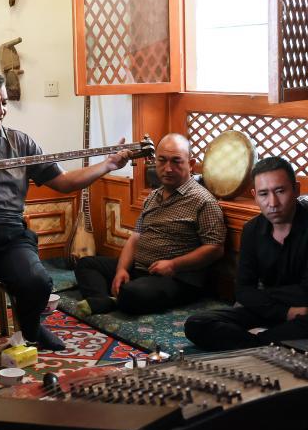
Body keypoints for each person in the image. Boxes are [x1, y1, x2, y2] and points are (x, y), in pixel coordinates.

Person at [0, 69, 131, 359]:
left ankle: (31, 328)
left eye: (4, 103)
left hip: (10, 234)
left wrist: (108, 165)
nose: (1, 111)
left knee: (38, 282)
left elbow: (63, 182)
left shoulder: (21, 143)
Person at [184, 155, 308, 350]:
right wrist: (285, 311)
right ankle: (264, 343)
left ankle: (257, 342)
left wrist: (261, 295)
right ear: (254, 195)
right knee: (197, 324)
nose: (273, 202)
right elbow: (243, 291)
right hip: (271, 312)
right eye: (263, 194)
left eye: (280, 191)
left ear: (296, 189)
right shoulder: (252, 229)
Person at [74, 133, 226, 316]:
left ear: (191, 164)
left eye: (176, 161)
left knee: (133, 294)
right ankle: (106, 300)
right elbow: (135, 237)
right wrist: (121, 270)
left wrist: (173, 265)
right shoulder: (153, 196)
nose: (168, 168)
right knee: (86, 264)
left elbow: (215, 248)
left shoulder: (203, 201)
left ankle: (114, 298)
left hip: (176, 277)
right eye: (162, 160)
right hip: (140, 269)